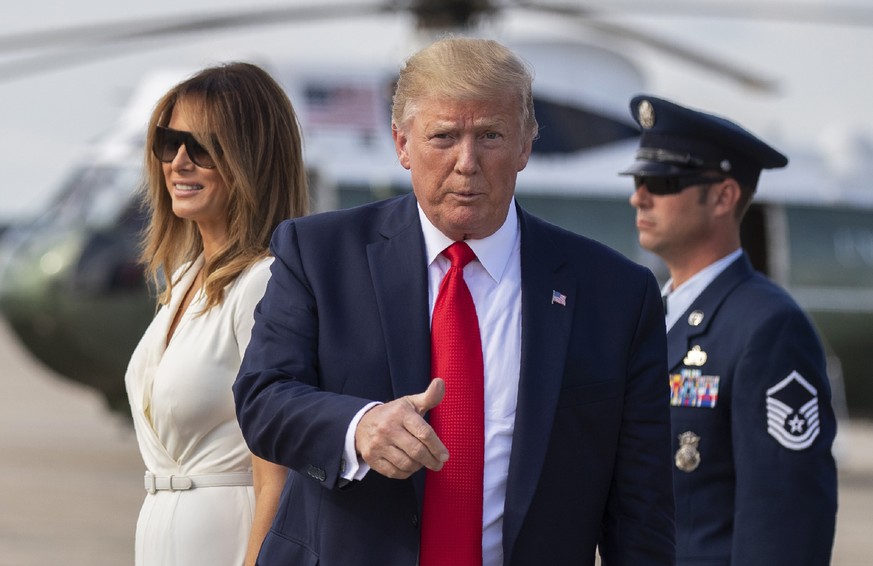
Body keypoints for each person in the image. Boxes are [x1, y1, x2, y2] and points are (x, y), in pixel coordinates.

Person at [233, 38, 675, 565]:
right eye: (443, 136)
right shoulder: (320, 254)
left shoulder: (614, 294)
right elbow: (263, 398)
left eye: (490, 136)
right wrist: (357, 427)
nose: (467, 163)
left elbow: (642, 508)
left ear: (526, 146)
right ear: (401, 143)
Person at [622, 94, 838, 565]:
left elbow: (786, 519)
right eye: (640, 179)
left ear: (723, 196)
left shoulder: (767, 327)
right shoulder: (650, 315)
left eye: (662, 181)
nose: (639, 195)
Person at [124, 62, 308, 566]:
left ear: (252, 159)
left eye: (202, 146)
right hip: (163, 535)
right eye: (169, 141)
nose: (180, 161)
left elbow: (278, 472)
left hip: (229, 538)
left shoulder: (264, 283)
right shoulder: (184, 279)